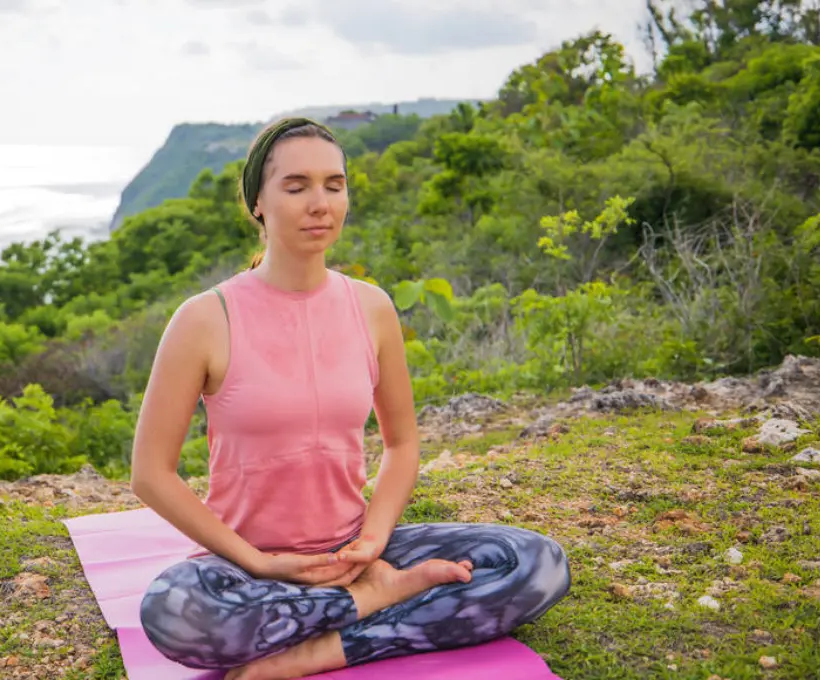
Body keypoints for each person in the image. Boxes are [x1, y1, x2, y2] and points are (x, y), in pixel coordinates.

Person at [129, 117, 571, 680]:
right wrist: (258, 561)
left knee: (536, 564)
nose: (320, 203)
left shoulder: (371, 307)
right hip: (247, 567)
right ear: (257, 203)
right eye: (296, 187)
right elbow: (150, 472)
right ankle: (375, 606)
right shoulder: (204, 319)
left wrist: (373, 542)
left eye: (333, 185)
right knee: (173, 612)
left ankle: (322, 646)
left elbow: (403, 442)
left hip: (354, 550)